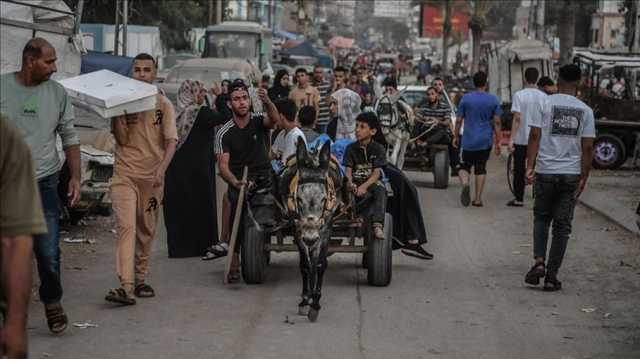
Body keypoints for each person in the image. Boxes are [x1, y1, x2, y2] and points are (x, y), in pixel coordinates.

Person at [0, 38, 80, 334]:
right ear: (30, 61)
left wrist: (75, 177)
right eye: (49, 61)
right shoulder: (2, 87)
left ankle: (52, 302)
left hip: (44, 183)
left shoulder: (58, 93)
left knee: (47, 251)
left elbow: (70, 137)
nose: (55, 67)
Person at [106, 53, 178, 305]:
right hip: (124, 174)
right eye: (137, 70)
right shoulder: (122, 102)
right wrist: (117, 114)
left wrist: (162, 169)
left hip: (152, 177)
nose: (142, 74)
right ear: (132, 72)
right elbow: (123, 140)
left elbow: (171, 142)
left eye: (147, 70)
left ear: (154, 73)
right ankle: (125, 286)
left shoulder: (163, 105)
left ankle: (140, 277)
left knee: (146, 229)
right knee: (127, 227)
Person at [524, 64, 595, 291]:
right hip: (571, 174)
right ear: (580, 82)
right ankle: (552, 276)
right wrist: (584, 176)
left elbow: (534, 135)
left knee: (542, 218)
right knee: (562, 226)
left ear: (558, 79)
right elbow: (587, 148)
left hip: (545, 170)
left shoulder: (544, 103)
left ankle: (539, 263)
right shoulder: (585, 110)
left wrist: (529, 165)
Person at [213, 80, 279, 283]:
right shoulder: (223, 132)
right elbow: (223, 166)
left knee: (280, 204)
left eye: (244, 98)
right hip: (239, 180)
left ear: (249, 101)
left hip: (264, 177)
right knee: (234, 209)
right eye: (236, 99)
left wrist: (267, 101)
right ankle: (233, 258)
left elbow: (274, 120)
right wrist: (234, 182)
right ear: (229, 104)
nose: (241, 102)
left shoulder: (259, 120)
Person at [0, 116, 48, 358]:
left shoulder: (6, 137)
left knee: (49, 255)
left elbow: (16, 239)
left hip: (45, 178)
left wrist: (16, 322)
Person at [163, 80, 228, 258]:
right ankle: (202, 246)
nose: (202, 97)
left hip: (175, 172)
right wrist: (221, 95)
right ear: (192, 94)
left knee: (179, 209)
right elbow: (225, 115)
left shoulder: (174, 114)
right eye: (200, 94)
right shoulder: (200, 113)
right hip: (198, 172)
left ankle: (179, 249)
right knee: (200, 208)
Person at [453, 71, 502, 207]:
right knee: (481, 168)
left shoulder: (466, 99)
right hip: (485, 141)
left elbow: (458, 120)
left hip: (468, 140)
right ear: (485, 83)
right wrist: (498, 142)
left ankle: (465, 184)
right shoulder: (493, 99)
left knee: (464, 166)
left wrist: (456, 136)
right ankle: (478, 199)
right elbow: (497, 122)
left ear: (473, 83)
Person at [344, 112, 388, 240]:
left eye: (362, 127)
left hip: (370, 183)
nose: (357, 130)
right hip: (354, 183)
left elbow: (376, 173)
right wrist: (349, 183)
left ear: (373, 131)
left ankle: (377, 225)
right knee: (339, 187)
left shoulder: (378, 149)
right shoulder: (350, 148)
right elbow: (348, 170)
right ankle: (346, 213)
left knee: (380, 189)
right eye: (356, 126)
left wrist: (364, 186)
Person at [507, 67, 546, 207]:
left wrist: (511, 139)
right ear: (537, 78)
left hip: (521, 139)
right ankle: (538, 196)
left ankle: (519, 199)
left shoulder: (519, 95)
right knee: (537, 168)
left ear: (524, 78)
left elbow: (517, 118)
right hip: (537, 141)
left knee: (518, 169)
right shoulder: (544, 97)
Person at [272, 99, 306, 164]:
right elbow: (271, 156)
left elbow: (285, 164)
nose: (272, 119)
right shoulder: (282, 133)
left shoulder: (294, 135)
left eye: (273, 115)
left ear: (281, 116)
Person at [311, 65, 331, 133]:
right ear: (313, 73)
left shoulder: (328, 84)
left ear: (322, 73)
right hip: (312, 120)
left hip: (325, 120)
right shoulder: (310, 85)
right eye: (316, 72)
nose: (318, 74)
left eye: (320, 72)